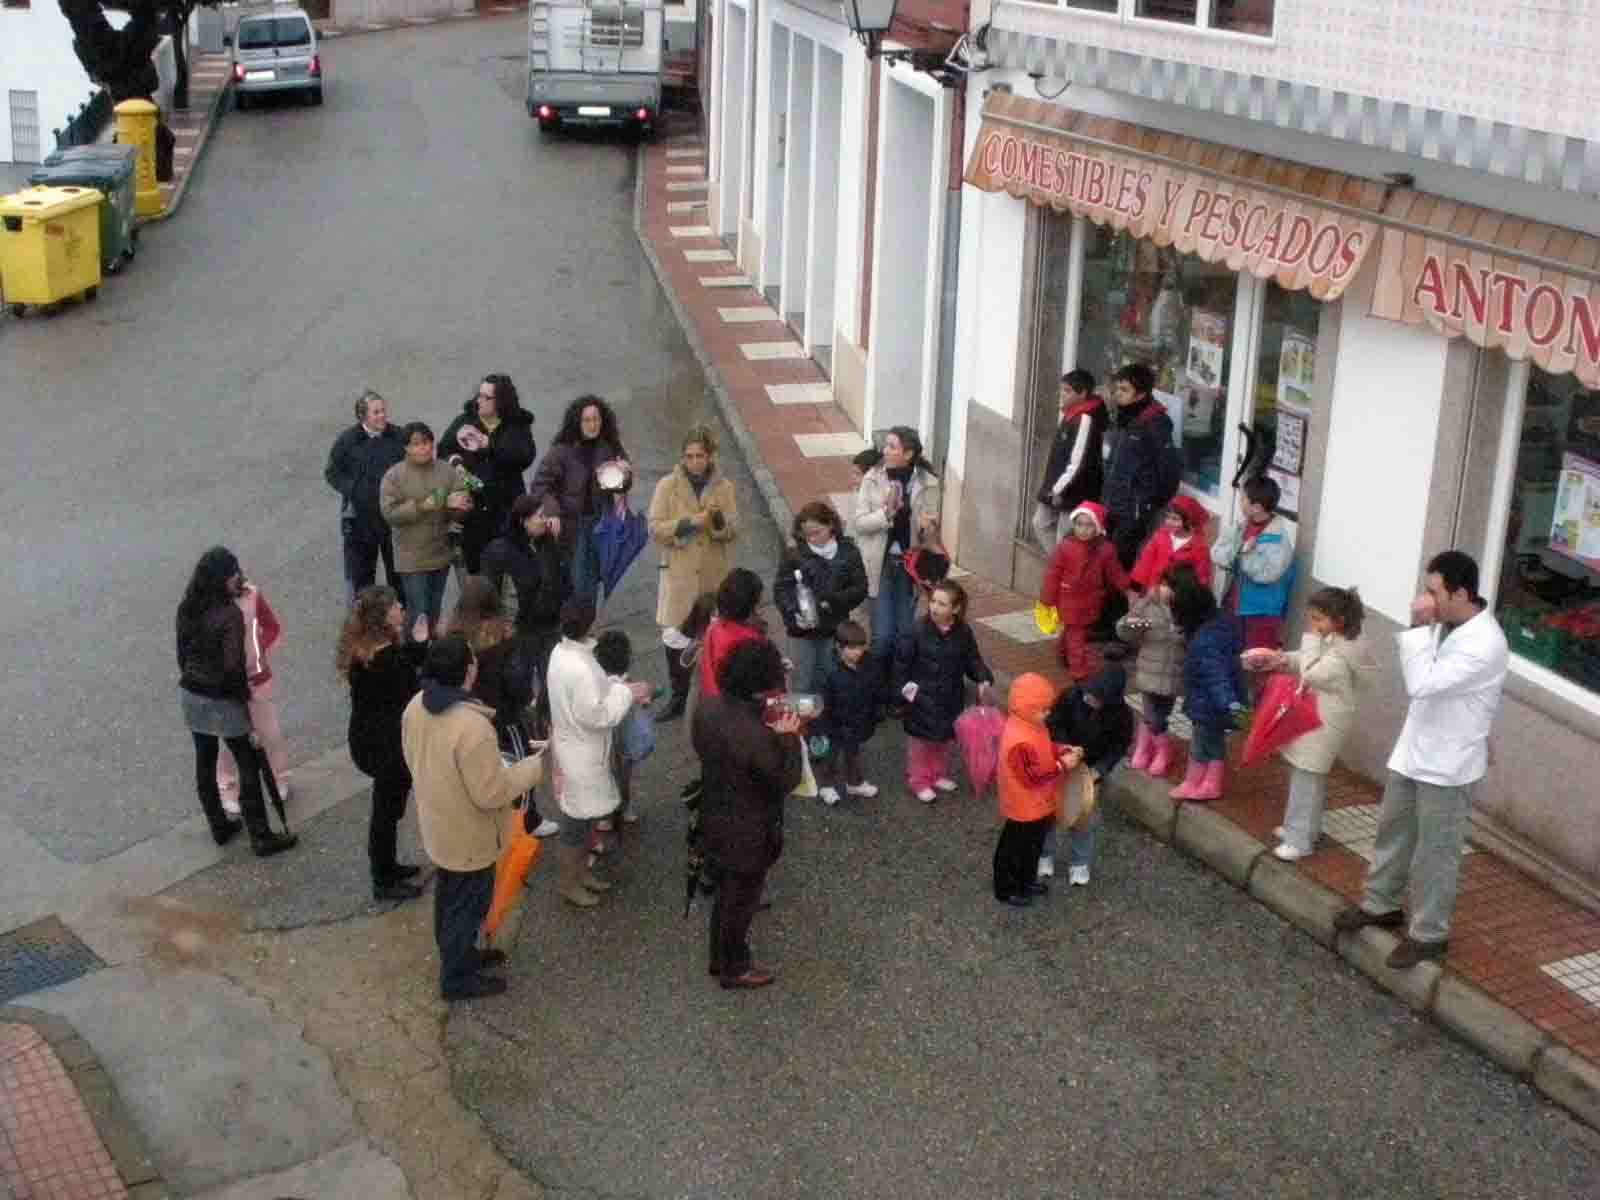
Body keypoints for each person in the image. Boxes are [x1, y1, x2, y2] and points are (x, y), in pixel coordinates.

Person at [1334, 552, 1508, 969]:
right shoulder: (1445, 626)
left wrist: (1416, 629)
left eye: (1434, 591)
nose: (1425, 598)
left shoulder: (1485, 643)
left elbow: (1422, 683)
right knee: (1392, 831)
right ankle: (1381, 903)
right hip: (1414, 751)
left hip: (1449, 765)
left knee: (1437, 851)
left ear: (1461, 594)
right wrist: (1426, 629)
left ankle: (1430, 933)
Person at [401, 635, 545, 1001]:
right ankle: (456, 977)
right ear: (467, 671)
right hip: (470, 836)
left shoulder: (415, 706)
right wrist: (533, 768)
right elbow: (491, 793)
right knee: (468, 906)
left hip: (440, 824)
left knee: (450, 899)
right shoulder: (472, 727)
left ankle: (459, 957)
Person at [691, 639, 804, 989]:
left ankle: (719, 959)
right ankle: (734, 967)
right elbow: (786, 779)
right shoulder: (757, 737)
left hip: (715, 810)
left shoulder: (708, 707)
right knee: (740, 901)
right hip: (749, 828)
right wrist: (788, 738)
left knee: (727, 894)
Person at [175, 547, 298, 857]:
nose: (237, 578)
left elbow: (182, 654)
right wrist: (244, 705)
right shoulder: (230, 614)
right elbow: (233, 667)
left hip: (192, 693)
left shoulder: (188, 606)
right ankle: (261, 835)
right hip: (224, 697)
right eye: (233, 574)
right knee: (248, 761)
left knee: (205, 761)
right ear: (221, 579)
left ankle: (219, 825)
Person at [1243, 585, 1367, 862]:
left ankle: (1299, 842)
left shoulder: (1343, 655)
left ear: (1339, 621)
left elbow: (1311, 672)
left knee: (1307, 780)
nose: (1313, 625)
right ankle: (1301, 829)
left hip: (1323, 723)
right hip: (1316, 719)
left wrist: (1310, 639)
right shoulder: (1337, 642)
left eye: (1317, 619)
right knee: (1307, 776)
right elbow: (1305, 659)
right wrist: (1280, 659)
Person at [545, 599, 653, 908]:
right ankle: (569, 884)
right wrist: (625, 692)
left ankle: (580, 876)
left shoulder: (561, 652)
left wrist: (616, 687)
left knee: (583, 823)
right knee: (575, 828)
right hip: (582, 755)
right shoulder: (580, 667)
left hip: (574, 748)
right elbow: (598, 715)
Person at [447, 576, 558, 839]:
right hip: (506, 719)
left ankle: (503, 824)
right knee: (521, 769)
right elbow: (516, 684)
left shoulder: (455, 637)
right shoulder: (500, 643)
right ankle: (527, 822)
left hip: (474, 718)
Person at [337, 585, 427, 901]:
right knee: (387, 811)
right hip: (385, 747)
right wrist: (421, 647)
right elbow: (410, 690)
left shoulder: (369, 649)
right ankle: (383, 878)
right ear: (384, 616)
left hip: (370, 739)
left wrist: (416, 644)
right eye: (395, 606)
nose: (401, 607)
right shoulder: (384, 657)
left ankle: (387, 867)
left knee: (387, 807)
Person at [649, 426, 739, 717]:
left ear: (710, 456)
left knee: (713, 638)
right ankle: (679, 697)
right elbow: (655, 527)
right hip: (679, 575)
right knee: (675, 636)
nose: (695, 462)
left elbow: (732, 529)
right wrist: (689, 523)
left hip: (713, 575)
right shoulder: (668, 485)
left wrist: (716, 522)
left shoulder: (724, 487)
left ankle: (712, 698)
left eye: (700, 456)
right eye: (689, 456)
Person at [893, 579, 995, 803]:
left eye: (942, 604)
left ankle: (937, 774)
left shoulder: (963, 632)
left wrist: (983, 678)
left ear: (955, 609)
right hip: (922, 698)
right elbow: (901, 666)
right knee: (921, 744)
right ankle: (919, 780)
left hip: (950, 696)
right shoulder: (916, 630)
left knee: (944, 740)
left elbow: (972, 659)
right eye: (933, 601)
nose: (934, 607)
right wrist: (909, 694)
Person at [854, 427, 941, 688]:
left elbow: (930, 532)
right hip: (879, 566)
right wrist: (885, 515)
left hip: (909, 566)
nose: (885, 451)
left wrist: (927, 527)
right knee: (882, 637)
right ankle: (876, 690)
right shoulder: (872, 478)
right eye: (886, 445)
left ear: (908, 453)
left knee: (905, 637)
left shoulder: (928, 483)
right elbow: (859, 523)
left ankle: (898, 691)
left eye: (892, 446)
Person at [528, 395, 631, 604]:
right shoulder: (561, 451)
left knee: (591, 580)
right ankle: (574, 617)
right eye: (587, 420)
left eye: (596, 419)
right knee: (576, 582)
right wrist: (552, 511)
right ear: (577, 422)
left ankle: (582, 617)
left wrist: (623, 474)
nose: (593, 425)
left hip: (600, 524)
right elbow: (540, 486)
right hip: (571, 526)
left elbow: (622, 486)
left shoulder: (610, 448)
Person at [1039, 661, 1133, 887]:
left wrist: (1099, 770)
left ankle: (1079, 863)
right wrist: (1065, 749)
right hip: (1059, 762)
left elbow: (1118, 747)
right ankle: (1044, 855)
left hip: (1090, 771)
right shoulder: (1071, 695)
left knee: (1084, 817)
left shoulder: (1122, 716)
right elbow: (1053, 724)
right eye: (1090, 693)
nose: (1090, 698)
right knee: (1047, 811)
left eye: (1097, 698)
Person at [438, 374, 537, 575]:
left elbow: (525, 456)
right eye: (479, 395)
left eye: (486, 397)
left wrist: (489, 445)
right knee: (477, 573)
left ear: (500, 401)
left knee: (507, 568)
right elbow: (443, 450)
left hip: (506, 510)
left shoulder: (517, 424)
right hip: (473, 510)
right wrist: (455, 462)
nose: (479, 400)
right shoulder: (465, 420)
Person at [380, 421, 472, 637]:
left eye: (426, 442)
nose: (423, 448)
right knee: (417, 613)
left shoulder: (446, 471)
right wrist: (422, 506)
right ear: (406, 448)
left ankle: (430, 650)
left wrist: (460, 505)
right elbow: (389, 513)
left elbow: (461, 506)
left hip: (440, 553)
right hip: (411, 557)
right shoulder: (394, 476)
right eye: (416, 444)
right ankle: (414, 652)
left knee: (433, 611)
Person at [481, 493, 571, 707]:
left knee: (552, 683)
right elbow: (489, 593)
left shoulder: (547, 543)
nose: (544, 520)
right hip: (520, 632)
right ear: (523, 521)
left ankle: (546, 716)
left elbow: (561, 577)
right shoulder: (500, 553)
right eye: (539, 516)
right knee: (519, 683)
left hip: (550, 625)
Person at [772, 500, 868, 696]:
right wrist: (793, 612)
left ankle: (825, 713)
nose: (812, 539)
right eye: (807, 534)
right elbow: (781, 590)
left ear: (830, 525)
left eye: (817, 532)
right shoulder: (794, 555)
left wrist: (833, 601)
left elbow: (860, 589)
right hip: (802, 632)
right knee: (802, 682)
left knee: (829, 679)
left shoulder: (848, 552)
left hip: (833, 628)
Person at [992, 673, 1073, 907]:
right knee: (1017, 847)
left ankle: (1025, 881)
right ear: (1027, 708)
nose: (1047, 714)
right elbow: (1032, 777)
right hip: (1024, 805)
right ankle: (1006, 888)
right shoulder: (1019, 741)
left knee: (1032, 845)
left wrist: (1059, 749)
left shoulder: (1031, 724)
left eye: (1048, 708)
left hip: (1035, 803)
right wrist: (1062, 765)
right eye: (1042, 710)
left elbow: (1043, 749)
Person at [216, 577, 291, 818]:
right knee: (230, 740)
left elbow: (272, 627)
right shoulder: (208, 603)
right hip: (226, 684)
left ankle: (279, 778)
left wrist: (259, 652)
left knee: (270, 734)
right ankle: (228, 788)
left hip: (256, 678)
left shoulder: (252, 595)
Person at [1169, 571, 1246, 802]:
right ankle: (1206, 782)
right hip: (1216, 703)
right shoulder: (1222, 625)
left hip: (1208, 705)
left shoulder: (1204, 642)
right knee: (1212, 743)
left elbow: (1216, 677)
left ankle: (1199, 783)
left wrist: (1231, 705)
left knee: (1203, 745)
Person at [325, 390, 406, 602]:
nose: (382, 416)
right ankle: (364, 618)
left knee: (399, 575)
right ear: (362, 416)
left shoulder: (399, 436)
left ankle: (400, 613)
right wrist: (354, 490)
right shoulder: (348, 441)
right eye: (376, 412)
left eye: (383, 410)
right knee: (362, 579)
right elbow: (332, 472)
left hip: (393, 519)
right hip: (360, 522)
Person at [1116, 565, 1193, 782]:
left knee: (1160, 714)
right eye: (1165, 585)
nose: (1167, 591)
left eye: (1173, 587)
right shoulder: (1147, 604)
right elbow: (1124, 630)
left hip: (1173, 674)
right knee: (1151, 714)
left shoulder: (1188, 609)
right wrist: (1130, 626)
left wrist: (1182, 636)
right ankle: (1159, 750)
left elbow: (1194, 639)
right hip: (1149, 670)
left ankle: (1152, 749)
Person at [1041, 500, 1131, 682]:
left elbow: (1115, 573)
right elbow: (1053, 573)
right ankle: (1079, 672)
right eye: (1079, 524)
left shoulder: (1105, 550)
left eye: (1089, 525)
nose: (1083, 530)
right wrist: (1047, 599)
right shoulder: (1066, 547)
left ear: (1098, 527)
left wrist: (1128, 590)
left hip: (1090, 600)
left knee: (1073, 632)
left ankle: (1062, 652)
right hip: (1069, 600)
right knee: (1077, 638)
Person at [1102, 363, 1181, 571]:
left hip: (1133, 509)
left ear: (1141, 394)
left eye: (1124, 389)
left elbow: (1169, 471)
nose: (1118, 394)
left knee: (1120, 563)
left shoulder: (1156, 423)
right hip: (1112, 502)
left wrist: (1147, 503)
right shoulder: (1122, 415)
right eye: (1117, 388)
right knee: (1104, 559)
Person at [1211, 474, 1296, 652]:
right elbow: (1217, 552)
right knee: (1229, 655)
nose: (1240, 502)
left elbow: (1267, 574)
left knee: (1257, 659)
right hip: (1232, 605)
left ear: (1256, 507)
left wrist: (1247, 555)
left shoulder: (1278, 539)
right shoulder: (1240, 526)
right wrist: (1236, 553)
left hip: (1261, 612)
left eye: (1243, 499)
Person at [1031, 369, 1108, 551]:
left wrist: (1056, 489)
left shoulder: (1085, 419)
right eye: (1062, 389)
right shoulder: (1071, 414)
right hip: (1058, 486)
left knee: (1065, 537)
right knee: (1040, 523)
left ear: (1082, 394)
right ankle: (1059, 564)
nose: (1062, 394)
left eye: (1067, 391)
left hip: (1076, 490)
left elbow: (1077, 462)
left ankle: (1063, 565)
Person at [816, 620, 880, 806]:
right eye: (851, 648)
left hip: (855, 721)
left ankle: (854, 782)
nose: (857, 652)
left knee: (853, 753)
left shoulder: (866, 664)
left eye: (860, 647)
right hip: (834, 724)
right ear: (839, 647)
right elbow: (824, 702)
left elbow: (872, 689)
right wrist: (823, 726)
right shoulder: (830, 671)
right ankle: (826, 786)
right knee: (831, 755)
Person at [699, 568, 770, 701]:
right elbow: (760, 690)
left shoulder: (714, 628)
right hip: (740, 708)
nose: (761, 606)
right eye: (758, 602)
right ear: (750, 607)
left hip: (712, 701)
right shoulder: (750, 644)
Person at [1130, 495, 1213, 593]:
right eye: (1167, 517)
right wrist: (1137, 585)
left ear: (1188, 521)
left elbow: (1202, 577)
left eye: (1175, 519)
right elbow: (1146, 561)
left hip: (1178, 595)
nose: (1169, 522)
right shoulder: (1160, 535)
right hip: (1151, 590)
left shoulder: (1200, 548)